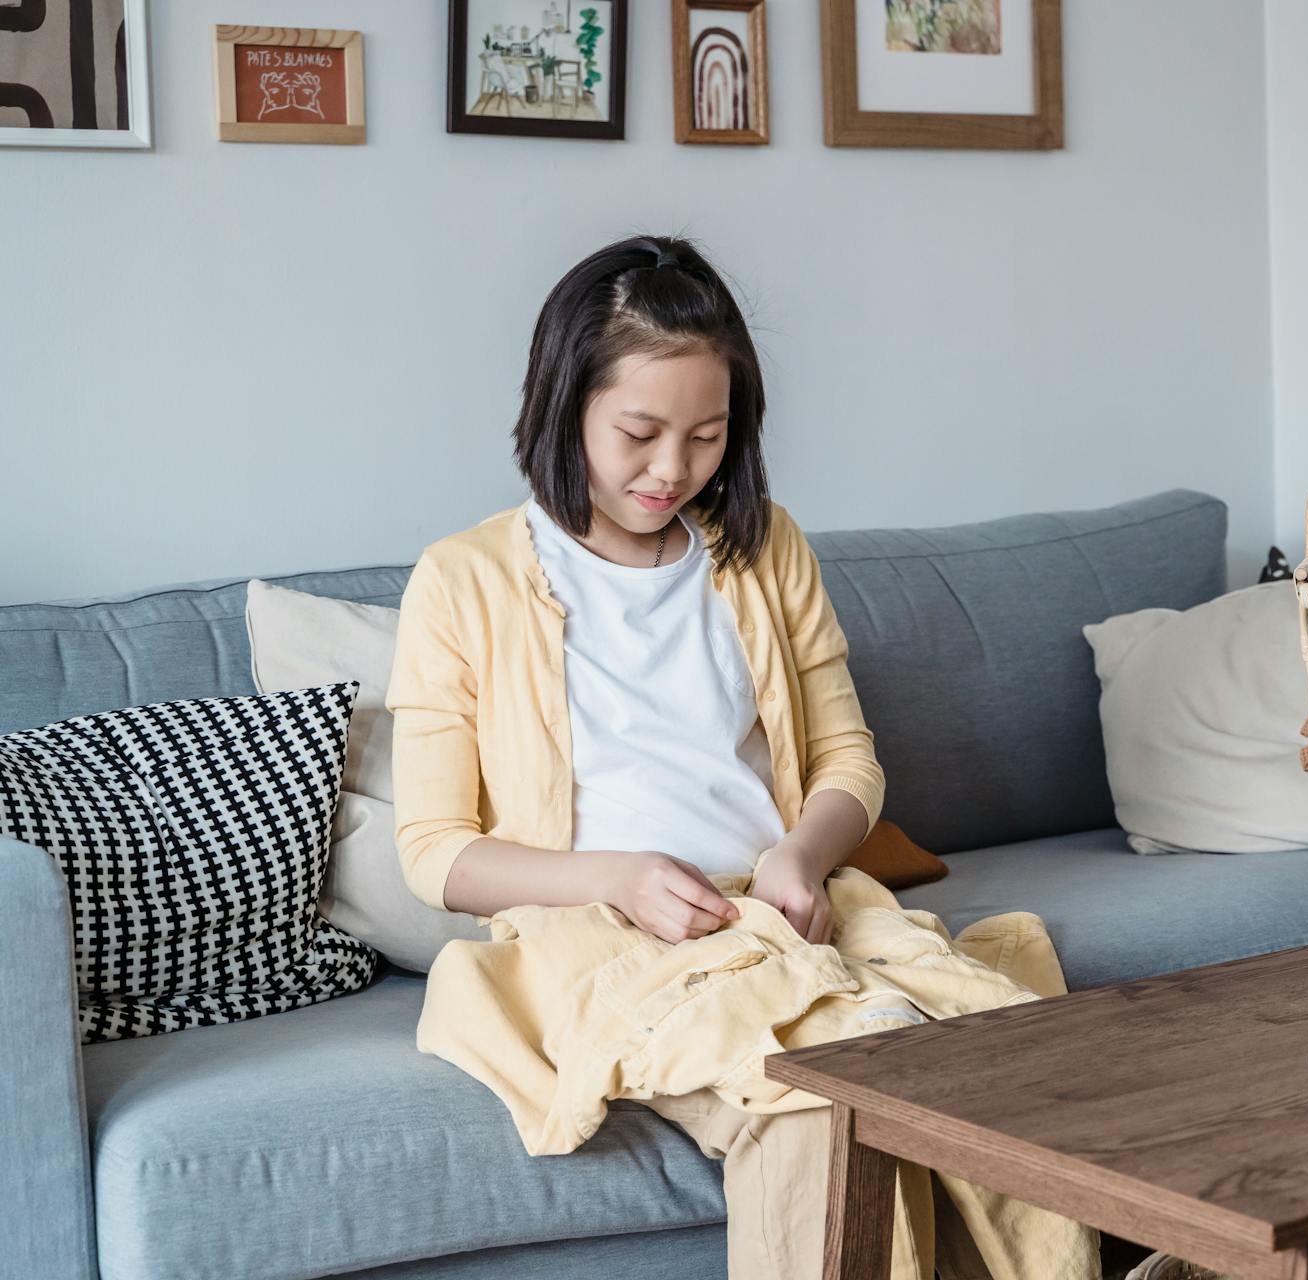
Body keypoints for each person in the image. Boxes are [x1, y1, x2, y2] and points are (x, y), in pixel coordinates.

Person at [385, 233, 1100, 1280]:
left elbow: (850, 761)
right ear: (561, 402)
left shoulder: (765, 550)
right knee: (821, 1098)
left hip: (786, 910)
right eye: (639, 431)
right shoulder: (463, 580)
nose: (672, 469)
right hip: (599, 939)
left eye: (707, 436)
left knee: (977, 1062)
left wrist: (801, 857)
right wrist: (619, 878)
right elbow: (435, 850)